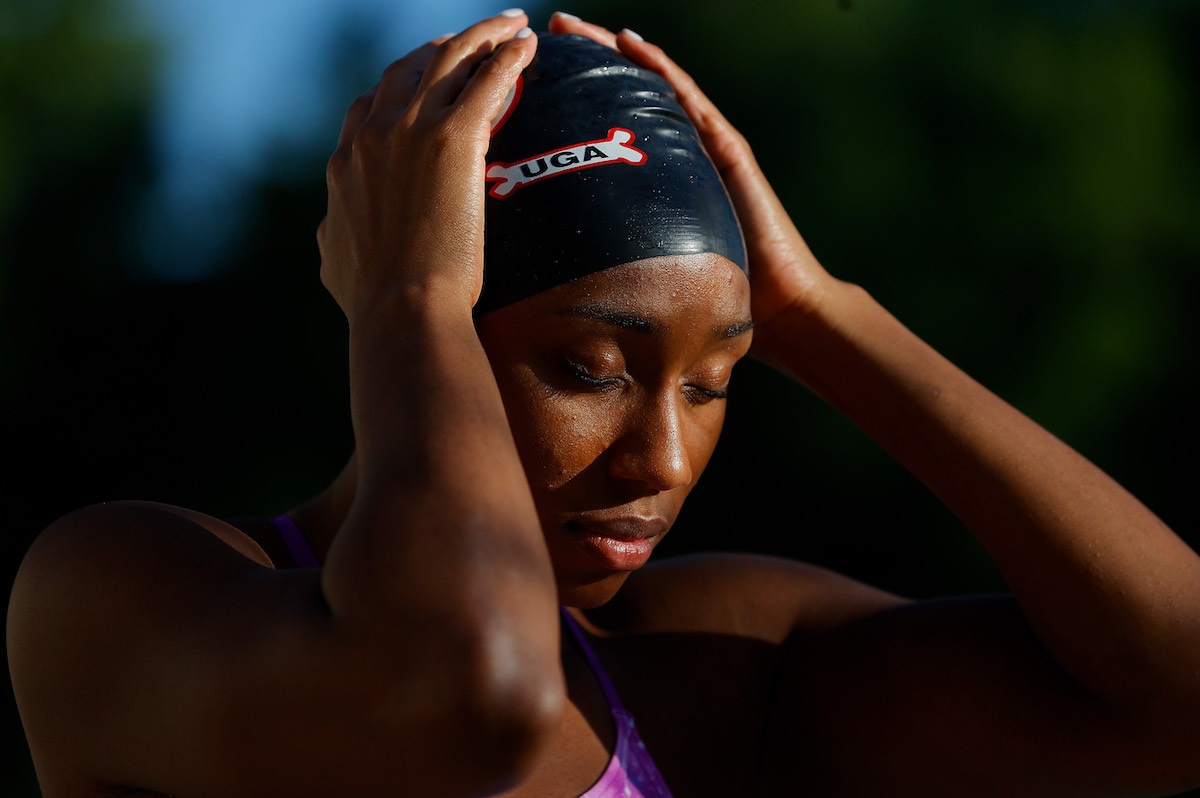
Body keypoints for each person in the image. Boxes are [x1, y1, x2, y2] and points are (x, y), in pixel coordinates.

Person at [7, 9, 1200, 798]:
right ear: (419, 334)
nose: (663, 458)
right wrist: (412, 292)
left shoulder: (718, 667)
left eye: (717, 380)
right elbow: (473, 699)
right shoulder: (125, 590)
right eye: (589, 369)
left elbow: (1177, 693)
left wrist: (826, 314)